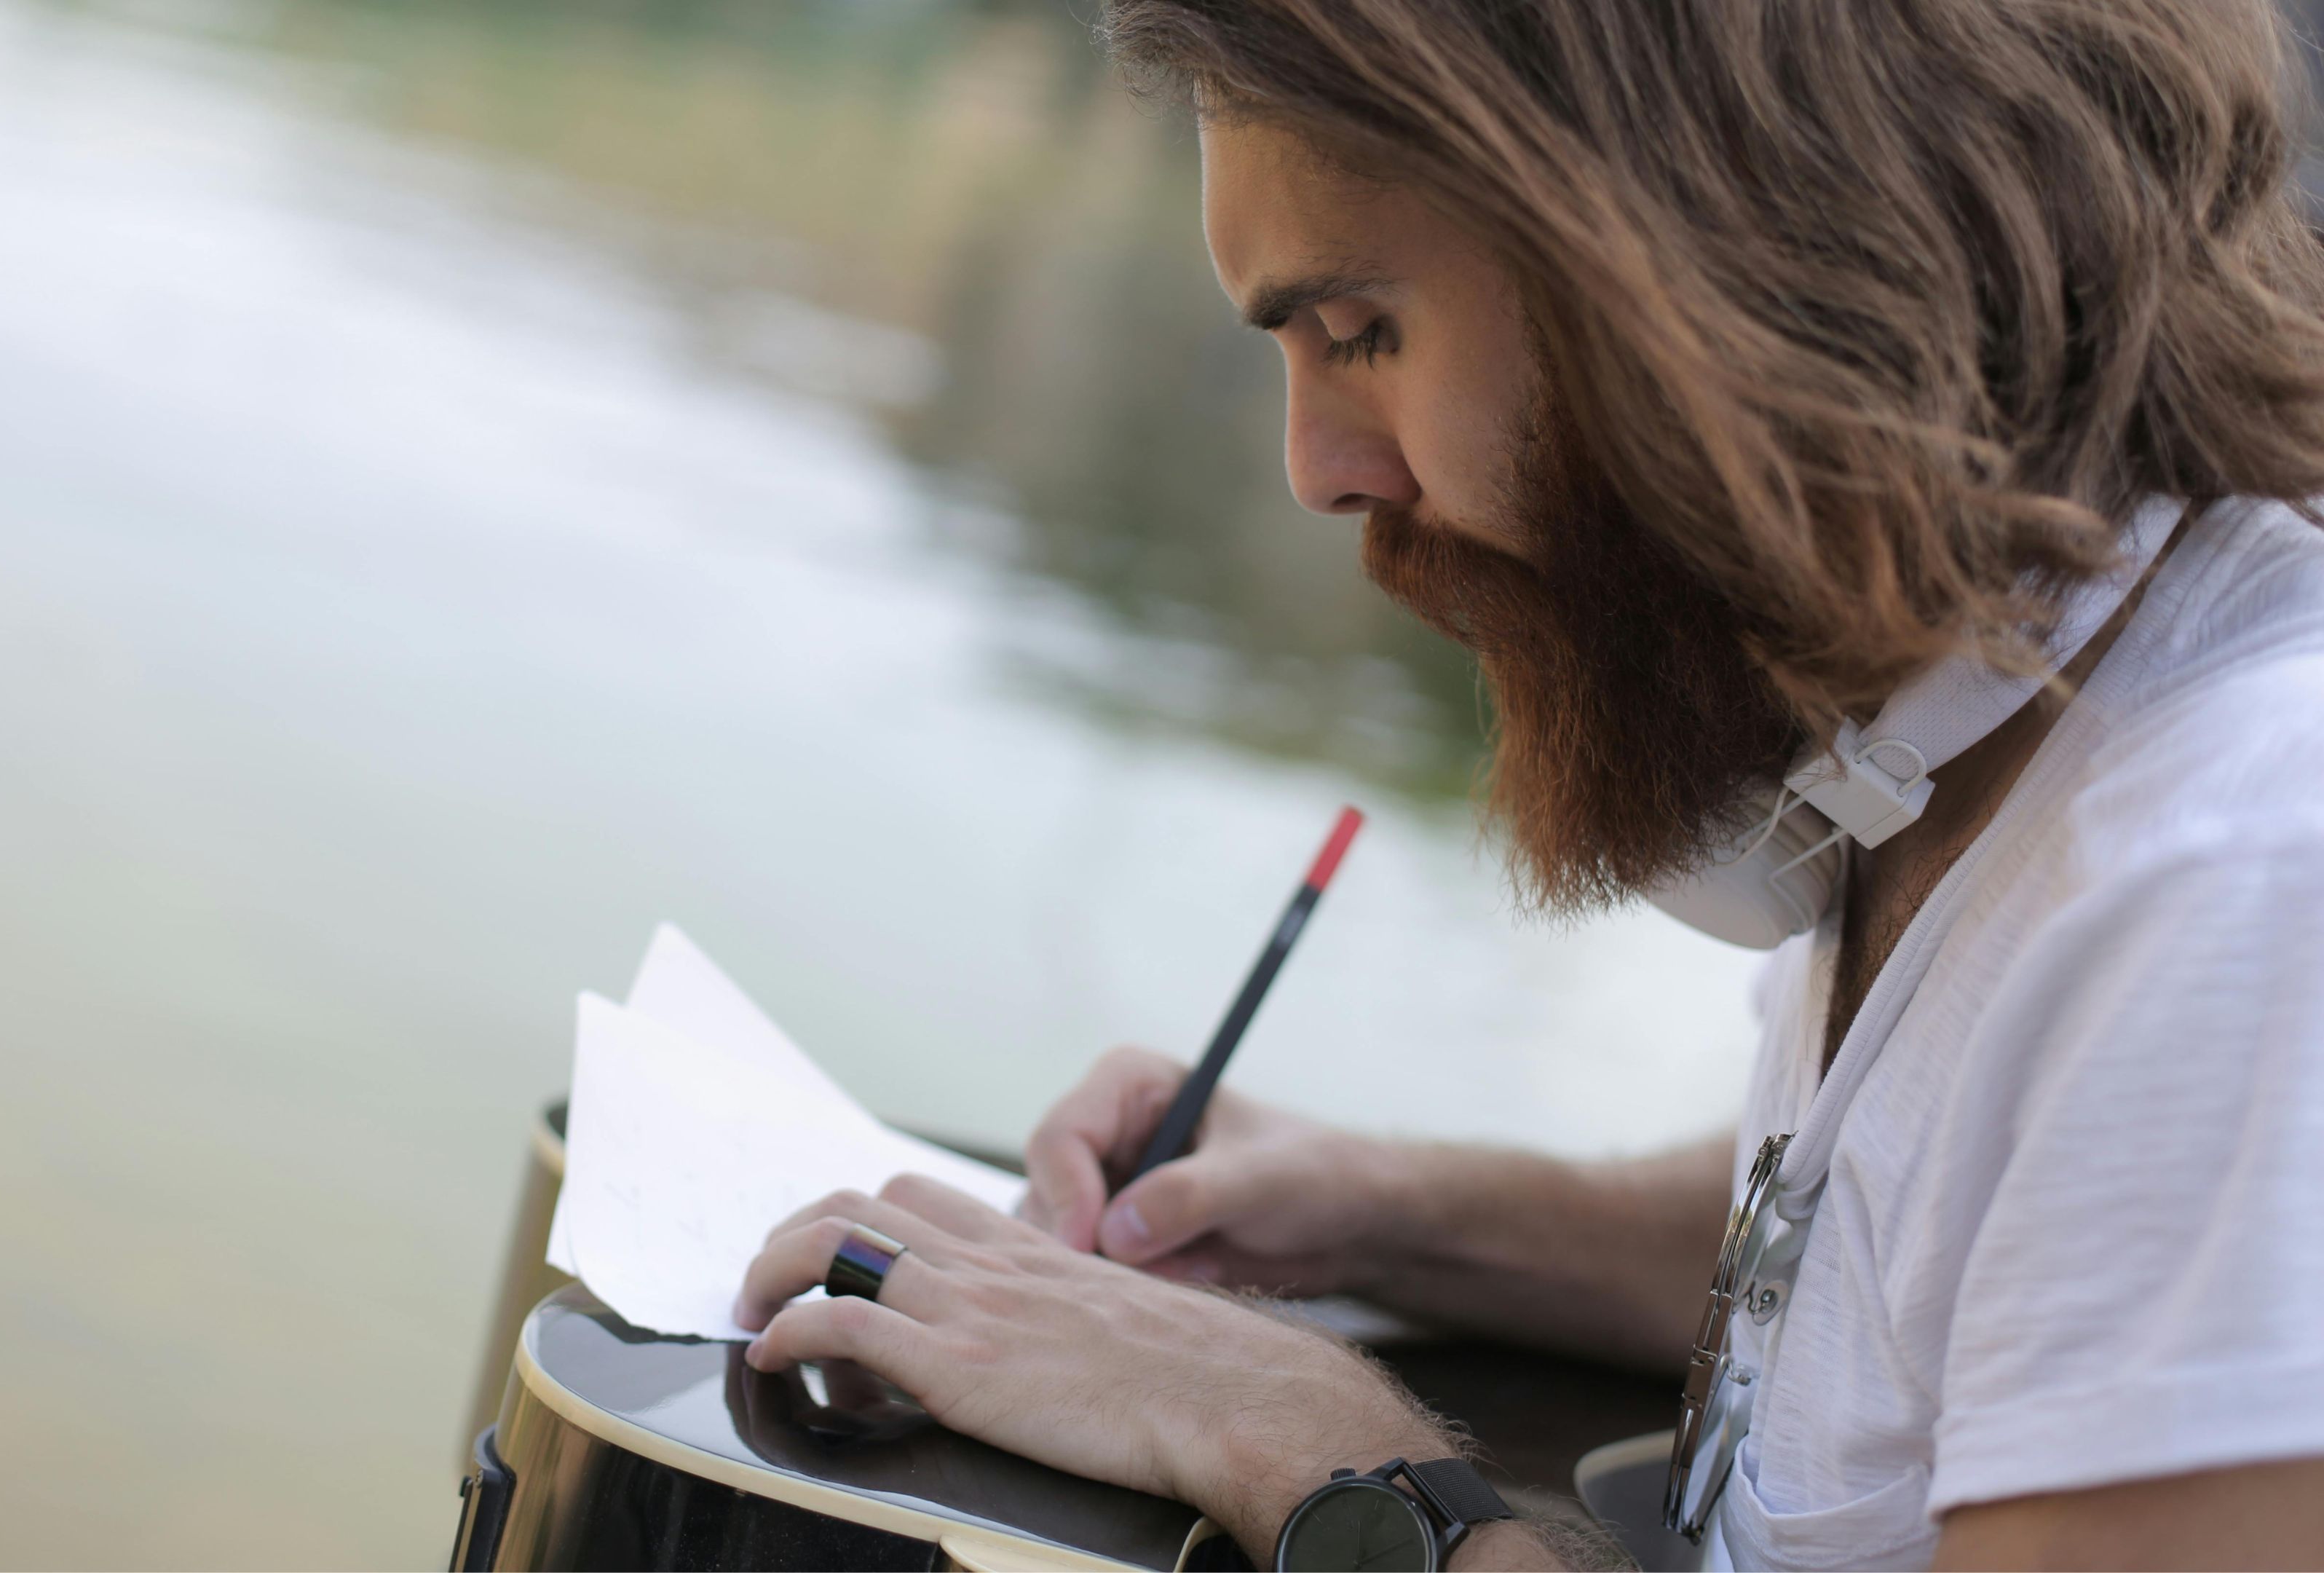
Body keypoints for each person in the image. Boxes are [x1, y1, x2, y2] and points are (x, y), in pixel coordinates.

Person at [733, 1, 2324, 1566]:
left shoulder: (2235, 884)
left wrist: (1322, 1460)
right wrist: (1391, 1213)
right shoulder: (1984, 729)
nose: (1319, 471)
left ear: (1724, 244)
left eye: (1364, 334)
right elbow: (1938, 1253)